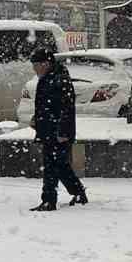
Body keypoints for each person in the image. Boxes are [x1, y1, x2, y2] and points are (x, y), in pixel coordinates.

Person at [31, 47, 88, 211]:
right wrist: (37, 120)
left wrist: (63, 132)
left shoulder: (60, 80)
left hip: (57, 132)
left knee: (51, 167)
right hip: (49, 129)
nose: (34, 70)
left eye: (36, 66)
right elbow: (45, 105)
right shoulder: (48, 77)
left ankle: (49, 201)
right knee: (59, 165)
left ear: (46, 63)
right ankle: (78, 193)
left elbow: (66, 108)